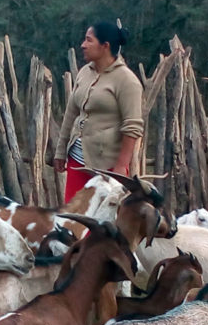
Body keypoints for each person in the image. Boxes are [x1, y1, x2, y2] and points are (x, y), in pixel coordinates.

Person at [53, 21, 144, 203]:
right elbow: (71, 112)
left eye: (89, 40)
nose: (83, 45)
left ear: (105, 46)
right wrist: (61, 150)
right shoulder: (85, 72)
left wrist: (121, 168)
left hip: (107, 166)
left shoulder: (127, 81)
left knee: (104, 220)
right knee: (74, 216)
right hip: (77, 161)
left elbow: (132, 127)